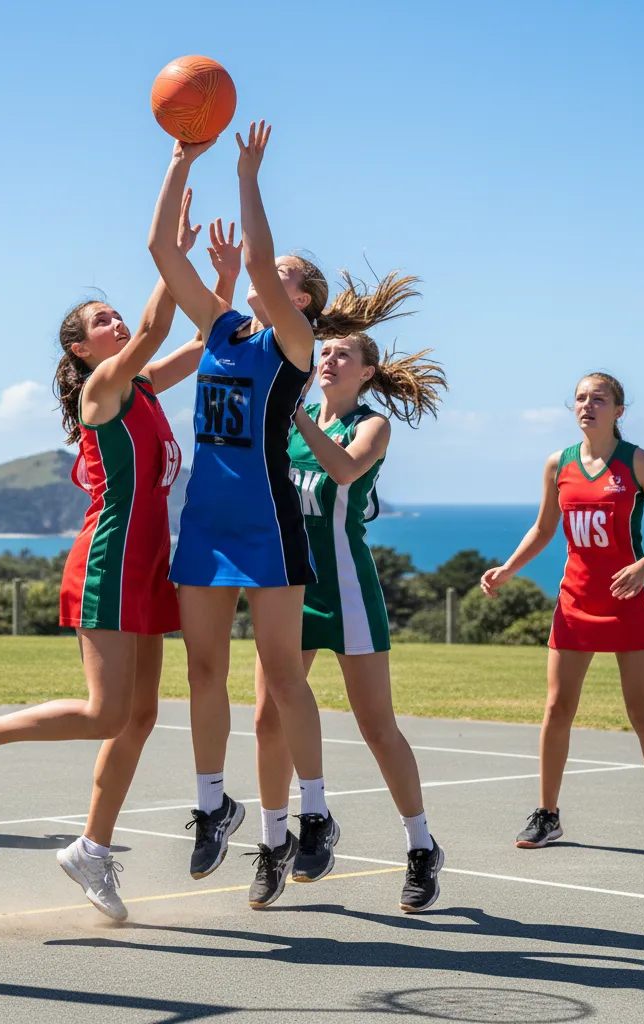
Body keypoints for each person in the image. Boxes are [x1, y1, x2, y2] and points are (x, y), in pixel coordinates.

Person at [0, 192, 241, 921]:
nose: (117, 322)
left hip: (149, 568)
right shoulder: (106, 389)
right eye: (101, 321)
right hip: (106, 562)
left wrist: (217, 283)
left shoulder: (144, 389)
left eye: (114, 314)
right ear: (82, 349)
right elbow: (164, 320)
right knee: (106, 713)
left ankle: (91, 851)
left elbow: (202, 343)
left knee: (138, 718)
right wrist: (175, 251)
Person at [149, 121, 424, 885]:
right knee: (204, 670)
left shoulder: (293, 346)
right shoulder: (223, 329)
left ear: (302, 299)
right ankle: (213, 806)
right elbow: (162, 255)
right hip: (205, 520)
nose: (274, 276)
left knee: (282, 677)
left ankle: (313, 811)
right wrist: (179, 160)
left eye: (289, 275)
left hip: (267, 524)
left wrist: (249, 176)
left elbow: (264, 269)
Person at [249, 331, 450, 911]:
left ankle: (420, 846)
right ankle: (274, 841)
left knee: (377, 727)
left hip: (347, 591)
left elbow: (341, 471)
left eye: (344, 355)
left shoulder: (371, 425)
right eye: (325, 353)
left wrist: (295, 419)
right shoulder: (295, 419)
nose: (330, 360)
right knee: (266, 718)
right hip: (289, 587)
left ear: (365, 373)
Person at [480, 372, 644, 854]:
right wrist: (508, 569)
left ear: (619, 410)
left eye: (599, 398)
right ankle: (547, 814)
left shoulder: (638, 462)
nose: (587, 405)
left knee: (641, 710)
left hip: (628, 601)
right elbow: (543, 528)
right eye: (580, 398)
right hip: (574, 601)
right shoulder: (560, 463)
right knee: (557, 708)